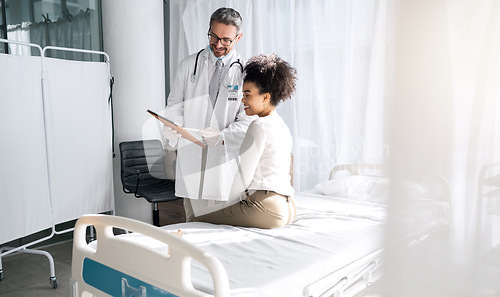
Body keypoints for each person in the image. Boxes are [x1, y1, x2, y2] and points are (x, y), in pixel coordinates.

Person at [161, 8, 255, 221]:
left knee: (221, 226)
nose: (218, 44)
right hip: (192, 155)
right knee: (192, 221)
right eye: (213, 36)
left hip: (224, 158)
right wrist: (172, 124)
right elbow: (175, 105)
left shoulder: (245, 73)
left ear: (238, 37)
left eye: (226, 39)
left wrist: (222, 137)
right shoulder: (188, 65)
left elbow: (248, 120)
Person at [193, 53, 297, 229]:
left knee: (196, 217)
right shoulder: (281, 126)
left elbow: (242, 178)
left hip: (266, 207)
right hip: (289, 206)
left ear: (266, 97)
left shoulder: (259, 125)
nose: (242, 100)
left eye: (247, 94)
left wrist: (223, 206)